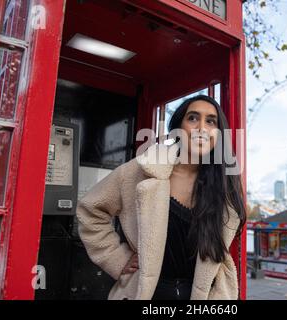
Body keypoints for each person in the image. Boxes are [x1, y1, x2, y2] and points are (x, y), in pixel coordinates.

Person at [76, 95, 246, 300]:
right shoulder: (141, 170)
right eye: (193, 118)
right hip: (146, 293)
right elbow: (90, 209)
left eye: (211, 121)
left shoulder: (224, 186)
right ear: (178, 129)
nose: (201, 127)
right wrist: (116, 258)